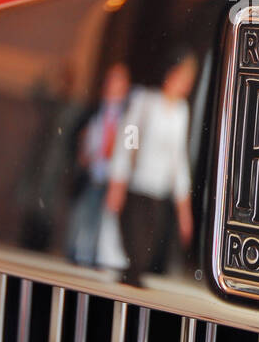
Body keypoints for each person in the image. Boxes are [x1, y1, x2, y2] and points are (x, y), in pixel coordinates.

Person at [105, 54, 197, 282]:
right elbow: (129, 137)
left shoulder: (180, 112)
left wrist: (183, 206)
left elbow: (178, 158)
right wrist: (119, 178)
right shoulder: (145, 101)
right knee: (132, 246)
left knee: (147, 248)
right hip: (138, 185)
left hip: (159, 190)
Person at [67, 64, 131, 265]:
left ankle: (100, 258)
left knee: (107, 227)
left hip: (114, 179)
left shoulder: (129, 117)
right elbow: (76, 141)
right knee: (84, 220)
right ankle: (80, 253)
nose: (112, 87)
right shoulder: (92, 113)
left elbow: (133, 149)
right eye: (110, 82)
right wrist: (82, 154)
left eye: (117, 82)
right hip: (92, 175)